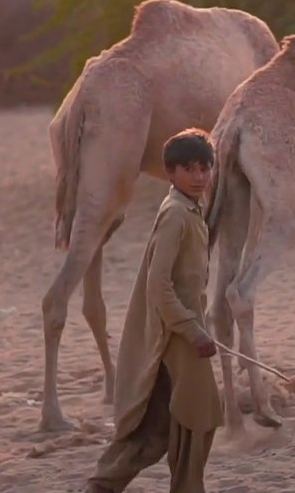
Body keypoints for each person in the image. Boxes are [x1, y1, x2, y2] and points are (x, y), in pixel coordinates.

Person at [87, 128, 223, 493]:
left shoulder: (190, 209)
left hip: (181, 329)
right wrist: (193, 330)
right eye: (188, 169)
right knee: (198, 417)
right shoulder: (176, 214)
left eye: (204, 167)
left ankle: (103, 485)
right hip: (178, 334)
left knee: (158, 419)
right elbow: (158, 286)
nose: (198, 176)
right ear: (170, 173)